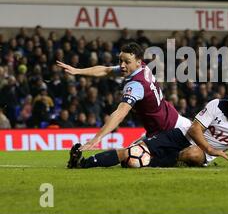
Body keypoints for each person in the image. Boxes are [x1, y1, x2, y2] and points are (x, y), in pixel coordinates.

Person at [67, 86, 228, 169]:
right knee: (132, 151)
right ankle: (84, 163)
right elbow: (195, 129)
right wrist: (213, 149)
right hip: (182, 135)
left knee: (194, 154)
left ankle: (146, 161)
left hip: (199, 152)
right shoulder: (218, 104)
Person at [57, 42, 191, 152]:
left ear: (138, 61)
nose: (122, 65)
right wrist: (77, 71)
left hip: (169, 132)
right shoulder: (142, 68)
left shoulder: (136, 85)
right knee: (130, 153)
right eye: (120, 60)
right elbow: (106, 70)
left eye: (126, 62)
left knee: (131, 158)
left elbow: (120, 113)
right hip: (173, 122)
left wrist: (96, 139)